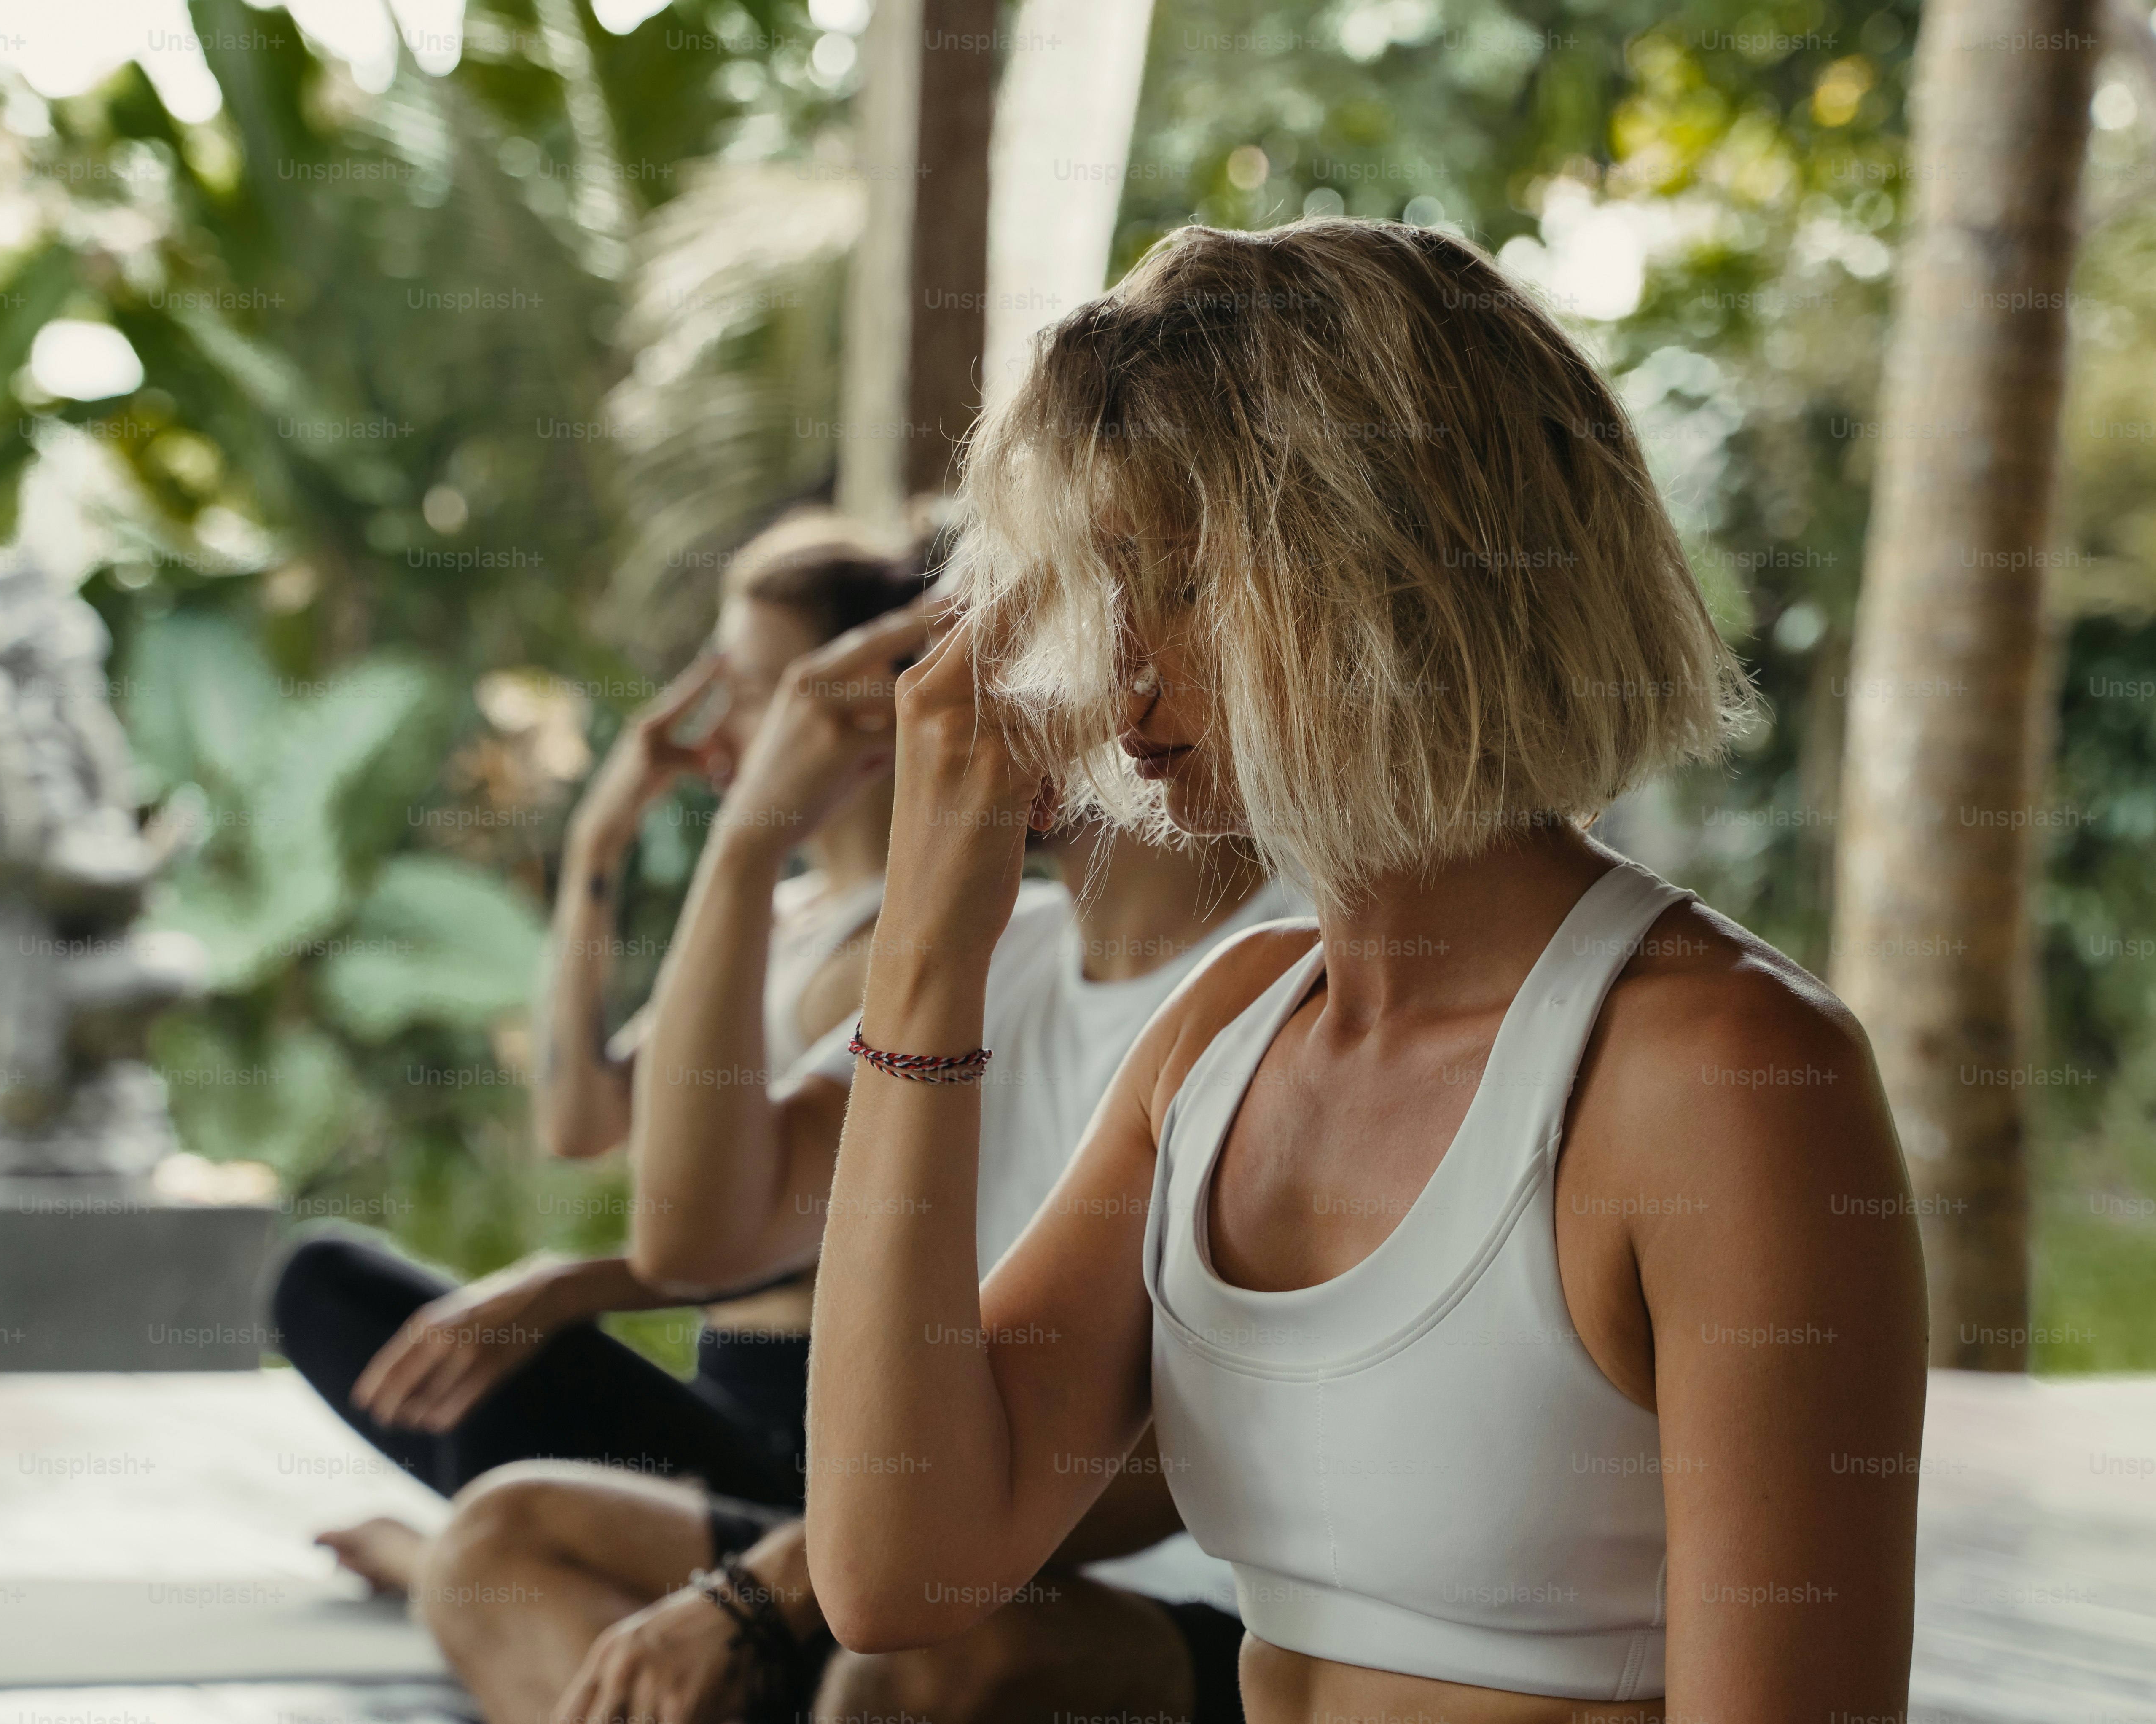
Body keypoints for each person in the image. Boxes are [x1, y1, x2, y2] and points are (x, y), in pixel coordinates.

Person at [804, 218, 1927, 1723]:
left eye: (1187, 583)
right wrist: (924, 959)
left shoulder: (1718, 1078)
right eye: (1101, 579)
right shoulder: (1221, 1035)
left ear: (1404, 569)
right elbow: (894, 1570)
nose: (1117, 662)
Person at [379, 601, 1305, 1724]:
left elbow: (1173, 1458)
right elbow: (692, 1234)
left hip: (1181, 1613)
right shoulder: (1004, 953)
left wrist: (768, 1586)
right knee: (490, 1545)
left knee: (918, 1658)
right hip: (924, 1555)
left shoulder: (1289, 970)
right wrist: (750, 838)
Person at [266, 510, 926, 1514]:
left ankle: (550, 1559)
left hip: (813, 1443)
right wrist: (594, 847)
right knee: (329, 1287)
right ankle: (579, 1556)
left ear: (863, 703)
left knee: (481, 1341)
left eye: (749, 694)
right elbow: (580, 1120)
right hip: (715, 1396)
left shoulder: (920, 942)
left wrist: (558, 1287)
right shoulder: (779, 918)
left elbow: (797, 1226)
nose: (714, 731)